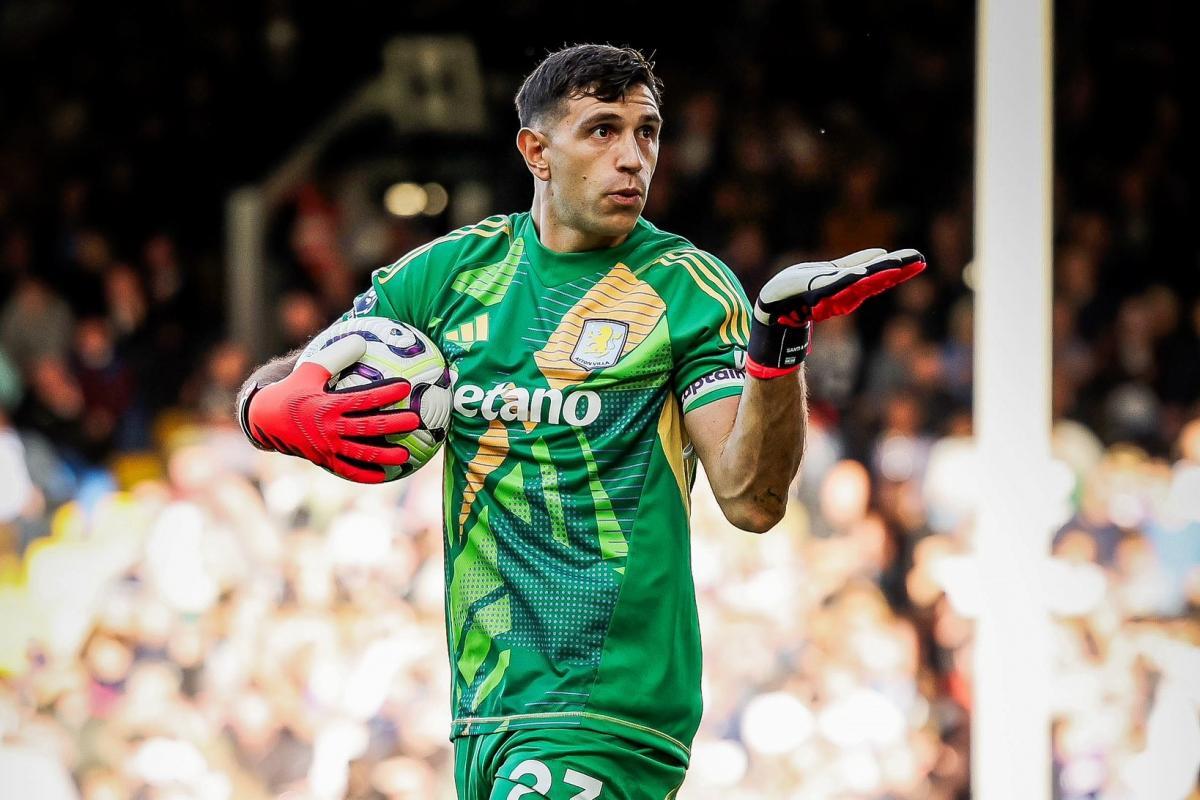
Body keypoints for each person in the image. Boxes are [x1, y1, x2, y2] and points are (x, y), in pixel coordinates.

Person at [235, 44, 924, 800]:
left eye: (647, 133)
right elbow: (316, 367)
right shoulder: (448, 276)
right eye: (603, 130)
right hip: (486, 708)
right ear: (536, 150)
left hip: (609, 703)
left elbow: (750, 498)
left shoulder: (685, 289)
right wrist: (263, 406)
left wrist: (778, 343)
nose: (633, 157)